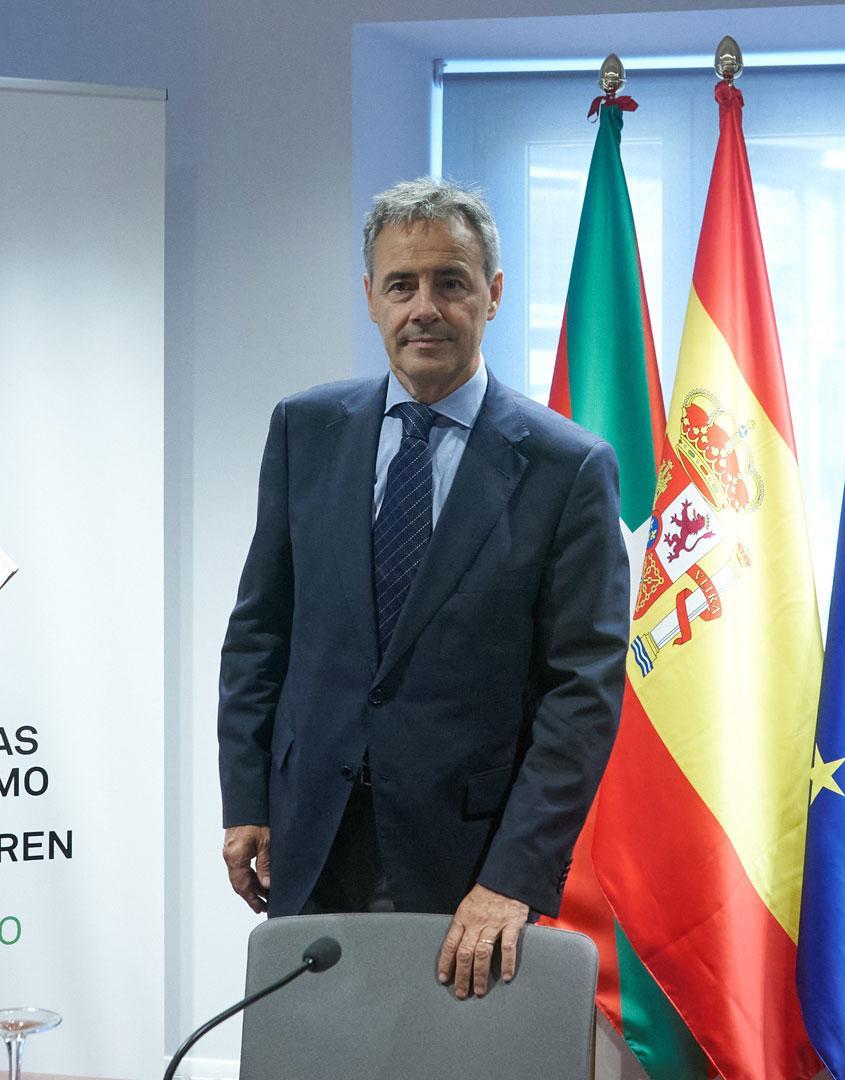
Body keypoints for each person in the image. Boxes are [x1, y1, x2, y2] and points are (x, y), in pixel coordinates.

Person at [216, 177, 628, 1000]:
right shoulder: (304, 429)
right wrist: (246, 797)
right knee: (317, 1051)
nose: (424, 309)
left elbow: (582, 692)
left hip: (468, 867)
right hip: (310, 844)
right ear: (371, 297)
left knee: (444, 1054)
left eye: (451, 282)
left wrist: (513, 876)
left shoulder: (568, 467)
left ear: (494, 294)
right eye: (401, 285)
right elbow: (261, 630)